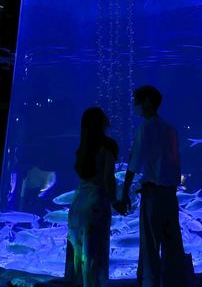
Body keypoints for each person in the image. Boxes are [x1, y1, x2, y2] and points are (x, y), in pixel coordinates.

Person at [120, 85, 187, 287]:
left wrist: (124, 192)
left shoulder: (145, 128)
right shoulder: (171, 130)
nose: (135, 107)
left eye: (137, 102)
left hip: (153, 196)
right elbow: (175, 164)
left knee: (150, 247)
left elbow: (134, 162)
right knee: (173, 247)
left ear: (147, 102)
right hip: (170, 196)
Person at [66, 107, 123, 287]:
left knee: (77, 254)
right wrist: (115, 201)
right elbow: (108, 177)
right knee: (93, 255)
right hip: (96, 204)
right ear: (102, 122)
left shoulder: (81, 150)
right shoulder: (108, 146)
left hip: (77, 205)